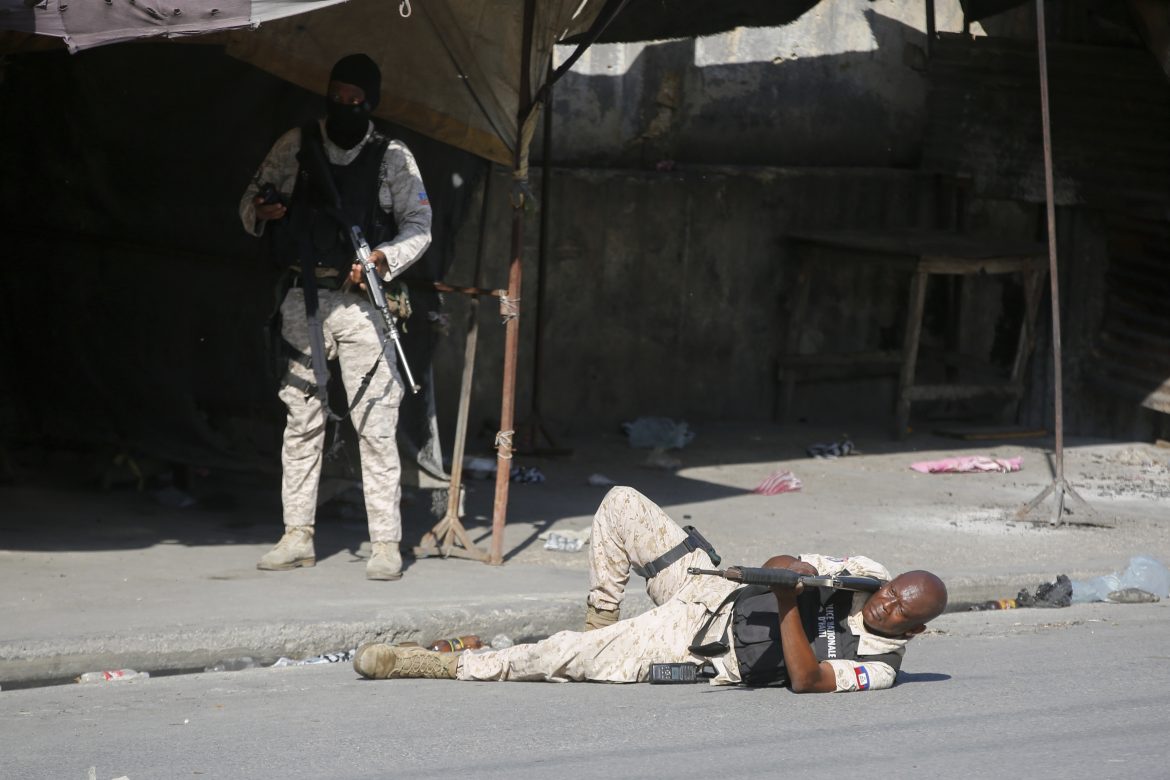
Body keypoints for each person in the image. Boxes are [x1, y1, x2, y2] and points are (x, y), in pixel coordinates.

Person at [353, 486, 948, 690]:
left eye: (898, 609)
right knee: (621, 506)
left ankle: (429, 666)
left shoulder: (878, 665)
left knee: (556, 658)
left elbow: (807, 679)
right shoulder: (866, 571)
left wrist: (791, 599)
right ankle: (602, 627)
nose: (885, 601)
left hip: (696, 645)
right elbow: (780, 561)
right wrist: (796, 573)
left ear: (915, 631)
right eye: (892, 590)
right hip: (711, 590)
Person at [239, 53, 432, 581]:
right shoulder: (295, 145)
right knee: (301, 422)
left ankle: (386, 543)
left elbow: (419, 224)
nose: (344, 106)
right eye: (337, 95)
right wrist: (264, 208)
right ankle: (296, 536)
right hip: (305, 300)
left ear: (371, 102)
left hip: (363, 305)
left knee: (375, 422)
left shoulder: (392, 157)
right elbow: (250, 204)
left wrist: (382, 259)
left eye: (355, 100)